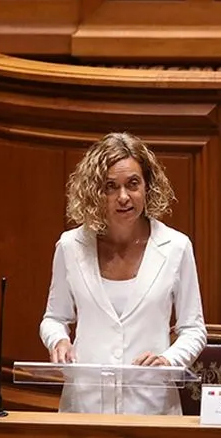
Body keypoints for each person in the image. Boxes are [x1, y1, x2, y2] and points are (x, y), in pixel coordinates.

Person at [39, 132, 207, 414]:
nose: (123, 197)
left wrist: (169, 359)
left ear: (147, 186)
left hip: (151, 406)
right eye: (110, 187)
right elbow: (54, 318)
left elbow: (193, 330)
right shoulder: (70, 246)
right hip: (85, 405)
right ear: (95, 192)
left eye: (133, 184)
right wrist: (58, 340)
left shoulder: (176, 246)